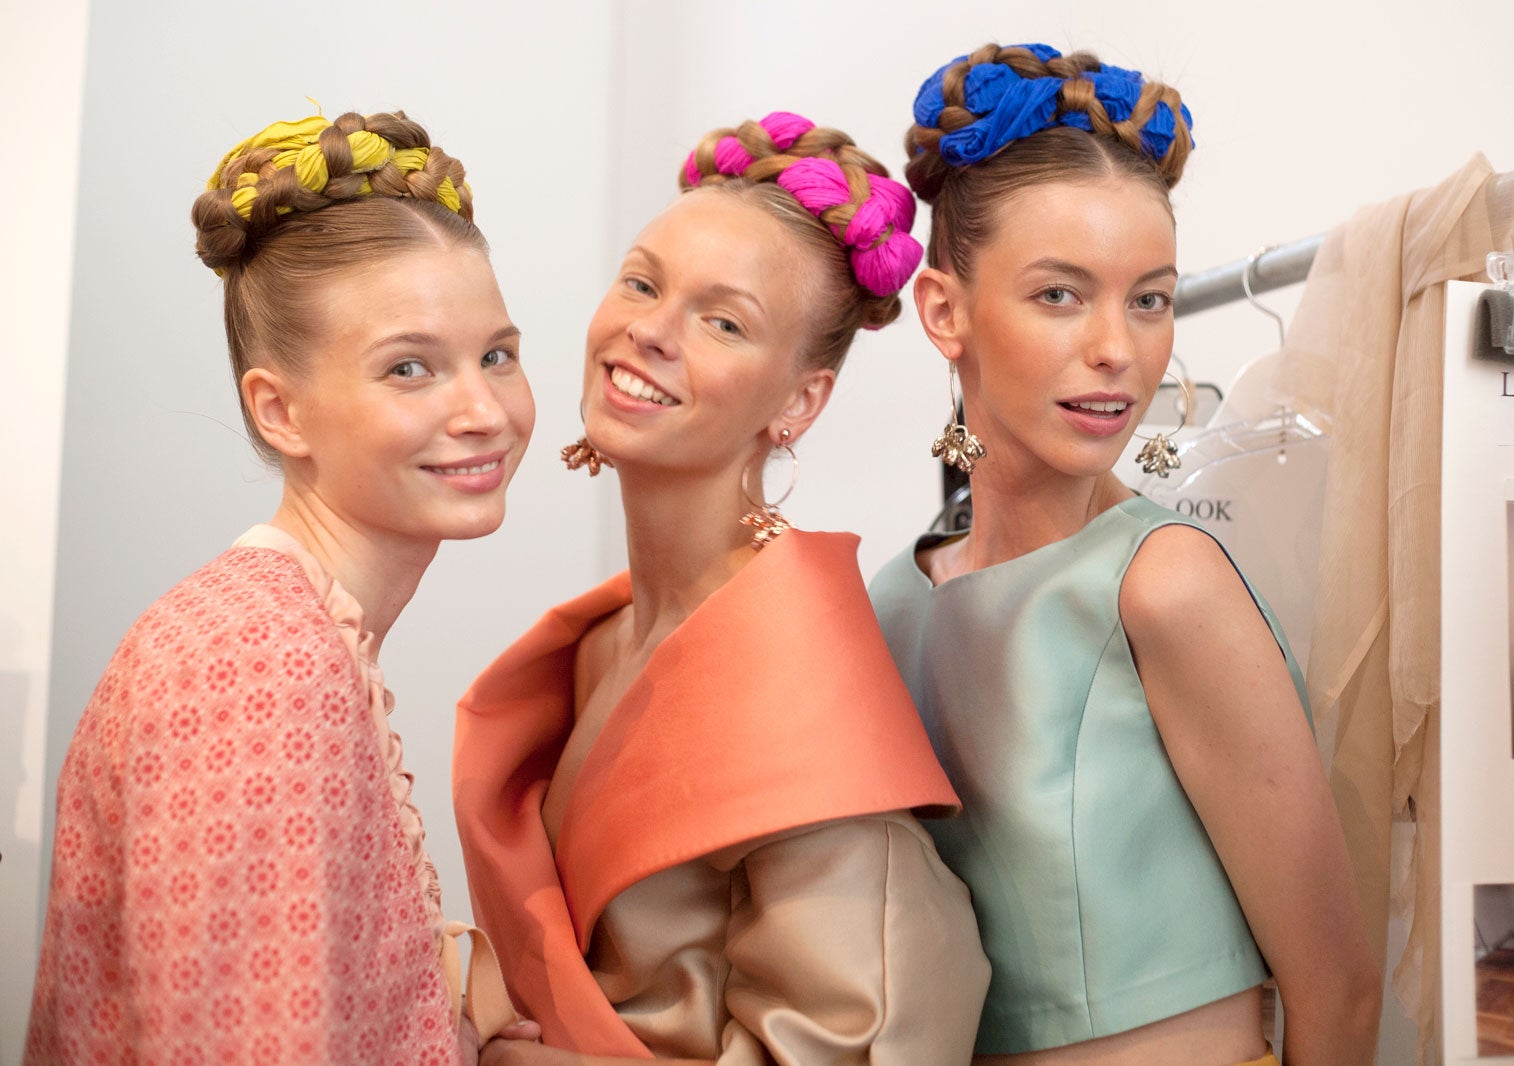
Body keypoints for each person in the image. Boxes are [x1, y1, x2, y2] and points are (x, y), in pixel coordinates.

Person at [867, 44, 1381, 1065]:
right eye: (1060, 295)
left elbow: (1339, 993)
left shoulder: (1164, 585)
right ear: (943, 311)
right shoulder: (892, 601)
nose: (1118, 349)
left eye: (1149, 299)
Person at [454, 110, 989, 1065]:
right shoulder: (601, 642)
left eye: (723, 321)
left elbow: (860, 1041)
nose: (650, 331)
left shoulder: (795, 679)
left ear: (798, 401)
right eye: (642, 282)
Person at [27, 110, 536, 1065]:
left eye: (497, 355)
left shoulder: (288, 633)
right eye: (410, 368)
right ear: (279, 411)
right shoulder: (257, 669)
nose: (483, 410)